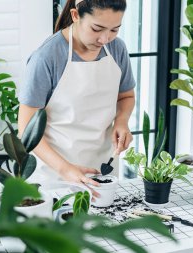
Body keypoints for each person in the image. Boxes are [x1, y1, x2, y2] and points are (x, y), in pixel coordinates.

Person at [18, 0, 136, 191]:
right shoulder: (46, 58)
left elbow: (126, 96)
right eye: (97, 28)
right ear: (75, 15)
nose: (105, 39)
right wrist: (65, 169)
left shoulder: (117, 49)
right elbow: (26, 131)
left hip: (103, 169)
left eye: (115, 30)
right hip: (55, 174)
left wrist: (122, 121)